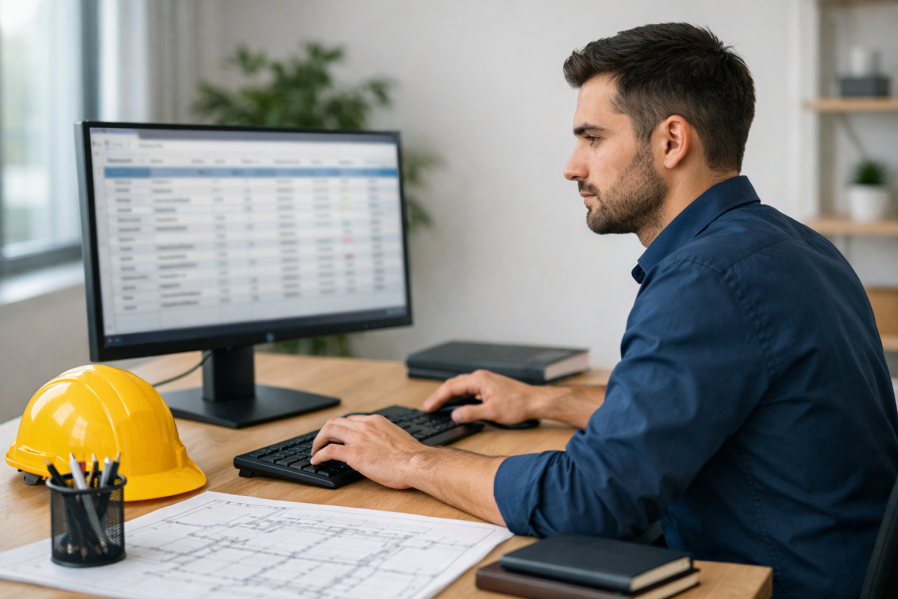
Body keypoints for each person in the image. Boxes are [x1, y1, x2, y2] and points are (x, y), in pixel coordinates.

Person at [311, 23, 898, 598]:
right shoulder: (795, 245)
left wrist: (412, 460)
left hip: (778, 584)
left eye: (592, 138)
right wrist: (546, 401)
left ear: (671, 141)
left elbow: (591, 499)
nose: (572, 166)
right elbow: (695, 410)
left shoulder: (705, 280)